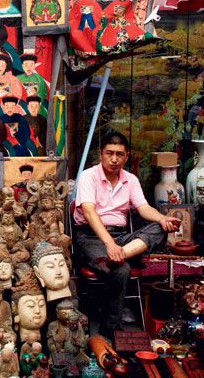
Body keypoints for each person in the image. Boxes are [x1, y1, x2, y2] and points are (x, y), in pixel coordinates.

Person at [73, 132, 180, 338]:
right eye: (109, 153)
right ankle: (110, 327)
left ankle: (122, 253)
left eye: (119, 154)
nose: (114, 159)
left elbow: (143, 208)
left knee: (159, 228)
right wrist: (109, 244)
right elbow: (89, 212)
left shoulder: (130, 179)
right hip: (92, 237)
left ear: (127, 156)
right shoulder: (88, 176)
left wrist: (162, 218)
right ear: (100, 154)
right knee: (122, 270)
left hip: (122, 238)